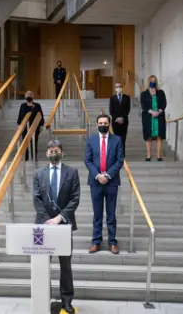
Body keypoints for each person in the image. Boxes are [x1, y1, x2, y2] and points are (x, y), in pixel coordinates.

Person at [33, 139, 80, 314]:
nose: (54, 153)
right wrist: (48, 220)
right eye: (51, 150)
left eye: (57, 150)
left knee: (65, 265)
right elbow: (37, 199)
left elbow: (75, 198)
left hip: (64, 225)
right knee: (42, 264)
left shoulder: (72, 172)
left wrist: (59, 218)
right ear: (47, 153)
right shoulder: (38, 173)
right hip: (42, 226)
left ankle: (66, 301)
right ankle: (42, 299)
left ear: (62, 152)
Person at [85, 114, 124, 254]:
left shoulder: (117, 140)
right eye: (100, 123)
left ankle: (112, 242)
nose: (103, 125)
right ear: (96, 125)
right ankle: (96, 242)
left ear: (109, 124)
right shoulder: (91, 140)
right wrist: (98, 175)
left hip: (111, 182)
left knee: (111, 214)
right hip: (95, 182)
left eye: (105, 123)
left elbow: (120, 160)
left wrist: (107, 175)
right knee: (97, 214)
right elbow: (87, 160)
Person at [140, 75, 167, 161]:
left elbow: (164, 103)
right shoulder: (144, 94)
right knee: (149, 136)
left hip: (159, 117)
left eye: (154, 80)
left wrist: (158, 112)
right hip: (148, 117)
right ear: (148, 82)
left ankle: (159, 155)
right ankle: (149, 155)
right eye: (151, 80)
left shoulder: (161, 92)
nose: (153, 82)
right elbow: (143, 105)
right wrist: (152, 112)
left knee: (159, 136)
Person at [17, 90, 45, 160]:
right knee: (25, 143)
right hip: (25, 127)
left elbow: (40, 115)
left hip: (34, 127)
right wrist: (19, 124)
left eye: (30, 95)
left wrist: (41, 124)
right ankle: (25, 158)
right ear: (25, 97)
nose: (28, 96)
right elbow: (20, 116)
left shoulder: (37, 105)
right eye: (27, 95)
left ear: (33, 96)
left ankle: (34, 157)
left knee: (34, 143)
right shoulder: (23, 106)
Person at [109, 82, 130, 156]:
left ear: (122, 87)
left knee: (123, 139)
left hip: (124, 121)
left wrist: (122, 118)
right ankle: (116, 154)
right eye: (117, 87)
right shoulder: (112, 98)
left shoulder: (127, 98)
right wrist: (117, 118)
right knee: (115, 139)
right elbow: (111, 111)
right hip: (115, 122)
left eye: (120, 86)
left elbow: (127, 110)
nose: (119, 88)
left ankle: (122, 154)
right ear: (115, 88)